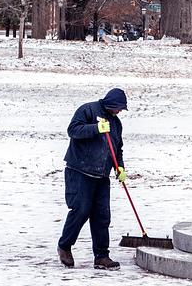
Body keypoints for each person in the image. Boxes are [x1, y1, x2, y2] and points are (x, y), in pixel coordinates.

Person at [57, 88, 128, 270]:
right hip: (79, 170)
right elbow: (73, 130)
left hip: (102, 175)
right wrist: (95, 128)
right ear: (109, 102)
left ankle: (102, 256)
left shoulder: (116, 124)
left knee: (102, 216)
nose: (119, 111)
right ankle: (65, 246)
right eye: (118, 107)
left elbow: (117, 148)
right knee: (81, 209)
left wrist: (120, 167)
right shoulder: (87, 110)